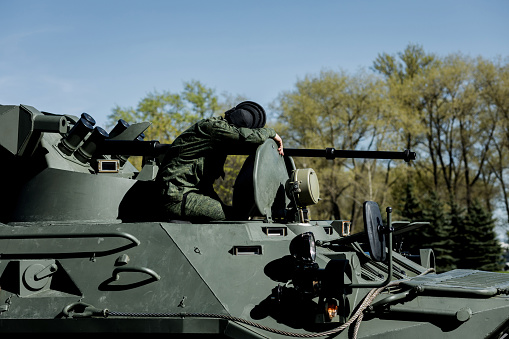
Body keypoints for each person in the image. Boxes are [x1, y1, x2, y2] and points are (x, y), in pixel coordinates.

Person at [157, 101, 284, 222]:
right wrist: (272, 133)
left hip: (190, 192)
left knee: (236, 214)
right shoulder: (213, 128)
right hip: (176, 195)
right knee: (233, 217)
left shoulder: (218, 136)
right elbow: (246, 137)